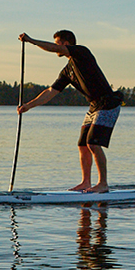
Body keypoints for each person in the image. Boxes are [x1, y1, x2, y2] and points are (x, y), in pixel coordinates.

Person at [17, 30, 125, 193]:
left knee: (93, 143)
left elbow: (53, 49)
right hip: (94, 106)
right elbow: (50, 92)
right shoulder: (67, 71)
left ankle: (103, 184)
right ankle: (86, 182)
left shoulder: (82, 52)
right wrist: (28, 106)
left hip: (108, 103)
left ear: (66, 43)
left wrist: (31, 41)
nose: (55, 47)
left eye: (57, 43)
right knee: (82, 145)